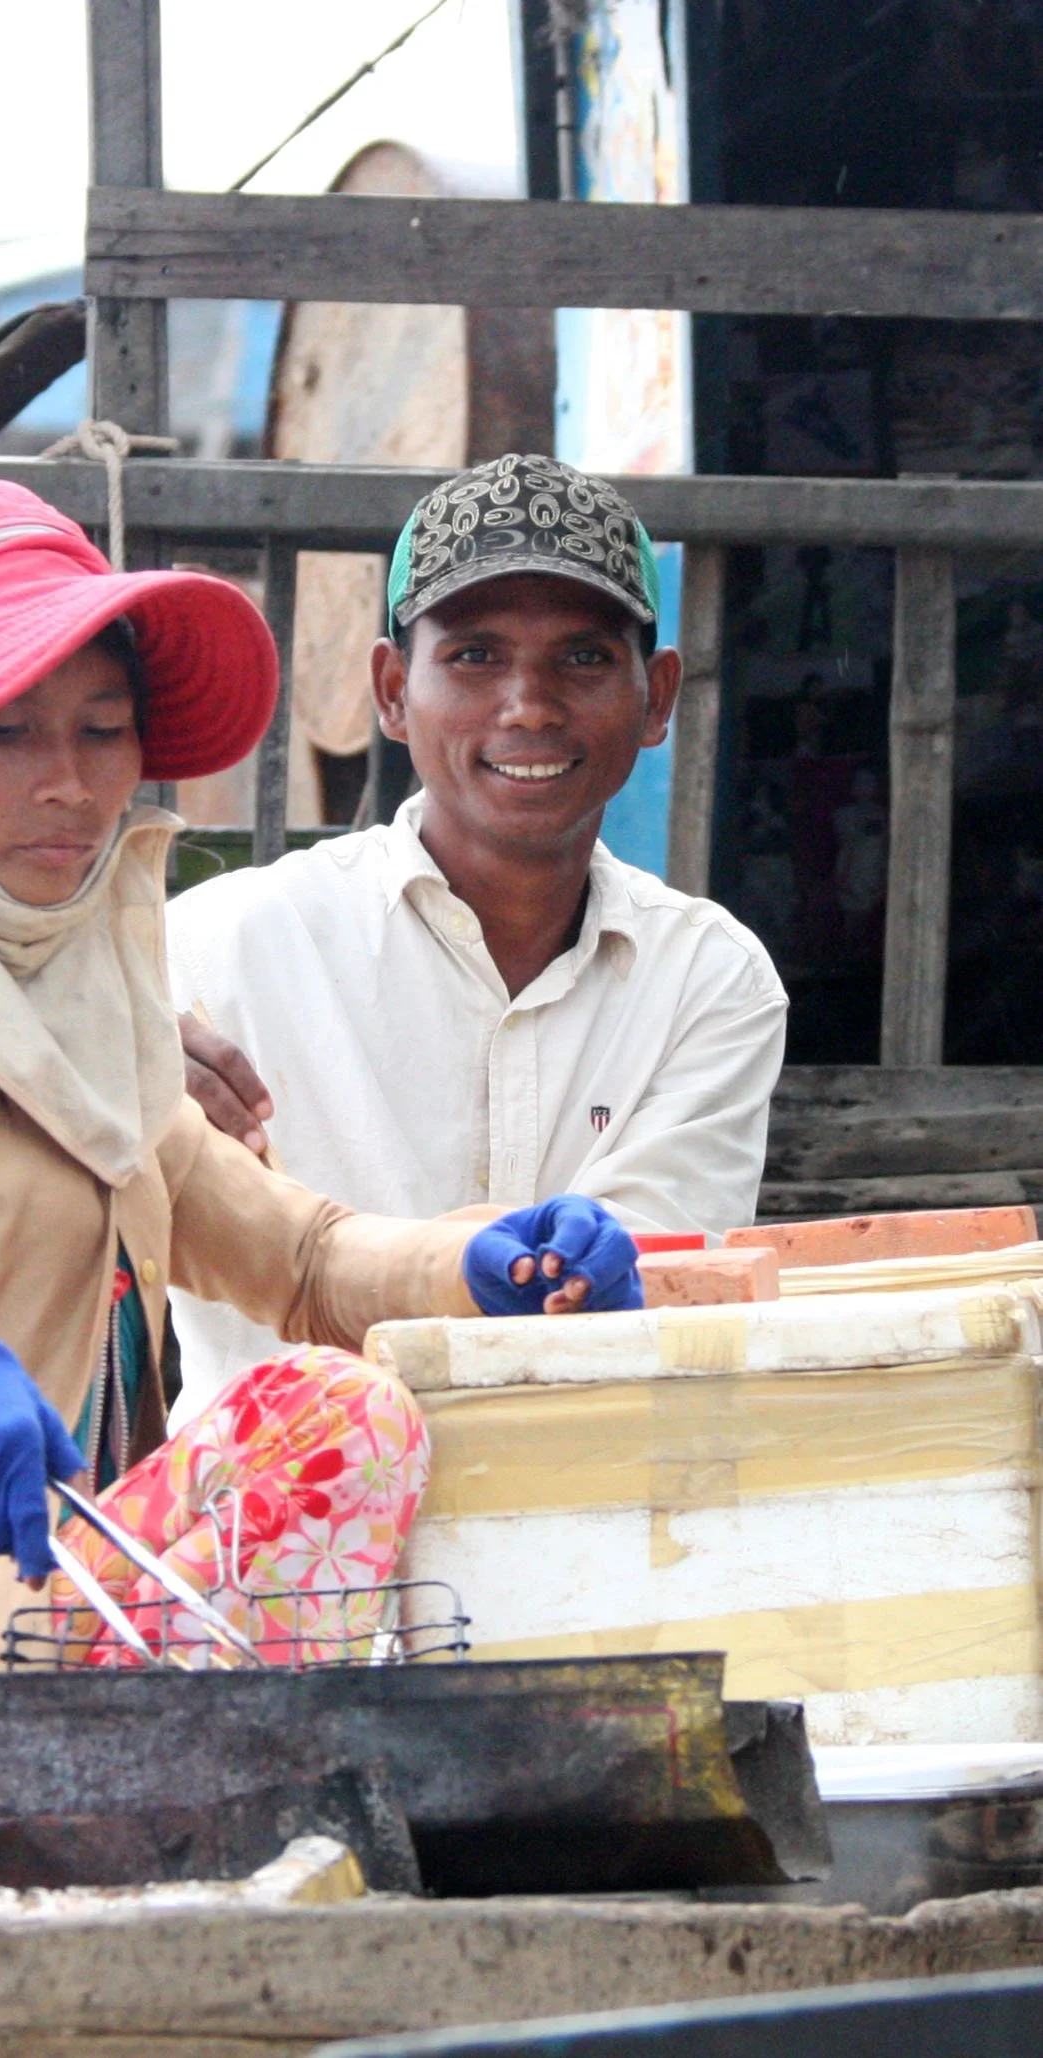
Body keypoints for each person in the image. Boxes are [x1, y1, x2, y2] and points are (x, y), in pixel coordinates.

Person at [0, 470, 642, 1687]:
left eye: (102, 728)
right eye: (4, 731)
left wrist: (492, 1262)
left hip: (50, 1641)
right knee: (344, 1415)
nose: (68, 784)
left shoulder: (83, 1012)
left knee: (340, 1404)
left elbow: (303, 1262)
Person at [170, 454, 787, 1425]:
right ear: (390, 690)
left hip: (593, 1493)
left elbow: (650, 1287)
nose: (529, 704)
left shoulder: (711, 979)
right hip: (278, 1507)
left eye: (584, 658)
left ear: (658, 696)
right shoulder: (214, 951)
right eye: (474, 656)